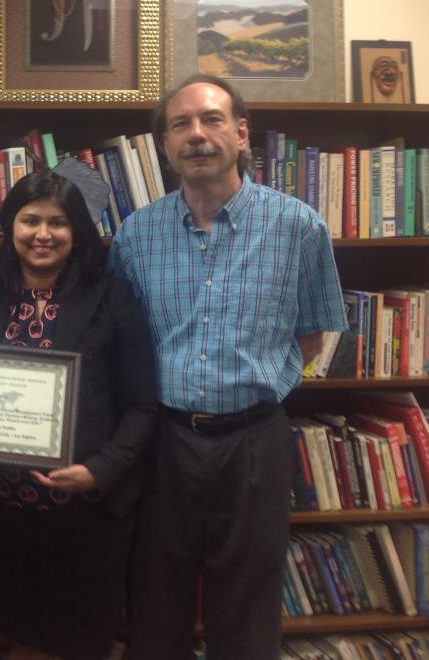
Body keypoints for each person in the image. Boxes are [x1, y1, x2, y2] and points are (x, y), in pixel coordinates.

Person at [107, 74, 348, 659]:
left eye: (212, 120)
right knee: (155, 601)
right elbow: (122, 345)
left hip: (254, 443)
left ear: (241, 134)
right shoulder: (136, 236)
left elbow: (313, 334)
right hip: (163, 443)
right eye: (180, 125)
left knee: (246, 608)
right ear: (164, 146)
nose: (197, 135)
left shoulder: (298, 227)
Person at [0, 171, 158, 660]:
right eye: (30, 220)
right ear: (10, 227)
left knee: (81, 644)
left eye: (58, 222)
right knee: (22, 640)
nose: (43, 234)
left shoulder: (111, 296)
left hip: (86, 516)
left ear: (78, 232)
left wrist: (100, 471)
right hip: (7, 514)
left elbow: (142, 405)